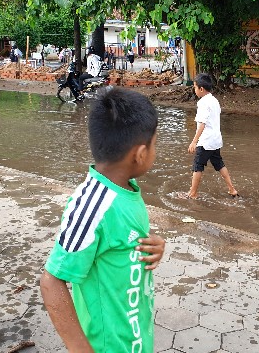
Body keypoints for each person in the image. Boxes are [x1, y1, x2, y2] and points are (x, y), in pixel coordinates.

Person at [40, 87, 165, 353]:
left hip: (135, 338)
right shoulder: (91, 206)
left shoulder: (126, 189)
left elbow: (125, 239)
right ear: (140, 154)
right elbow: (51, 282)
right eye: (156, 144)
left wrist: (154, 246)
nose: (156, 151)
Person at [187, 73, 238, 199]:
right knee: (219, 164)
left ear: (201, 89)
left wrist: (194, 141)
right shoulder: (214, 100)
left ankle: (192, 193)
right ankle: (232, 189)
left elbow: (202, 124)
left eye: (195, 87)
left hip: (206, 141)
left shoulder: (203, 103)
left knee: (197, 166)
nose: (194, 90)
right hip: (216, 140)